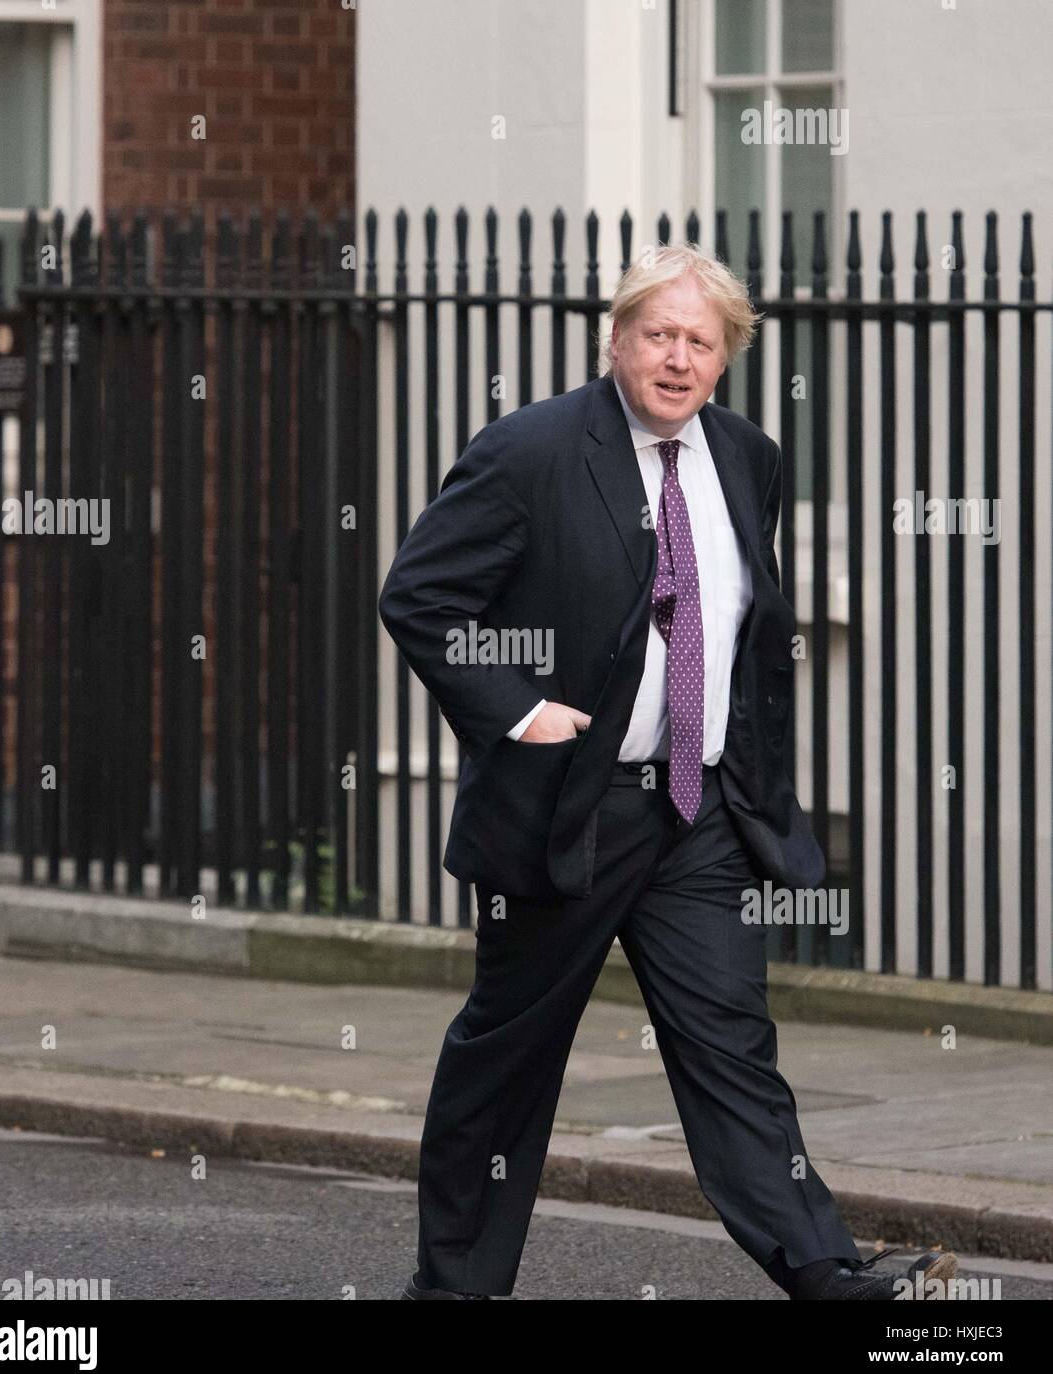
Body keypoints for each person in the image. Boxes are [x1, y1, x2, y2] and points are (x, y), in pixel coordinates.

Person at [378, 244, 957, 1301]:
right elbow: (420, 597)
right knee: (507, 1057)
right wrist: (517, 710)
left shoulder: (746, 457)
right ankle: (454, 1285)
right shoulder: (534, 450)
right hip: (569, 810)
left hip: (697, 814)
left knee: (731, 1046)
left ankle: (827, 1273)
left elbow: (745, 628)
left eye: (701, 341)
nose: (678, 359)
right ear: (617, 338)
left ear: (727, 357)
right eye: (659, 334)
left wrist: (748, 771)